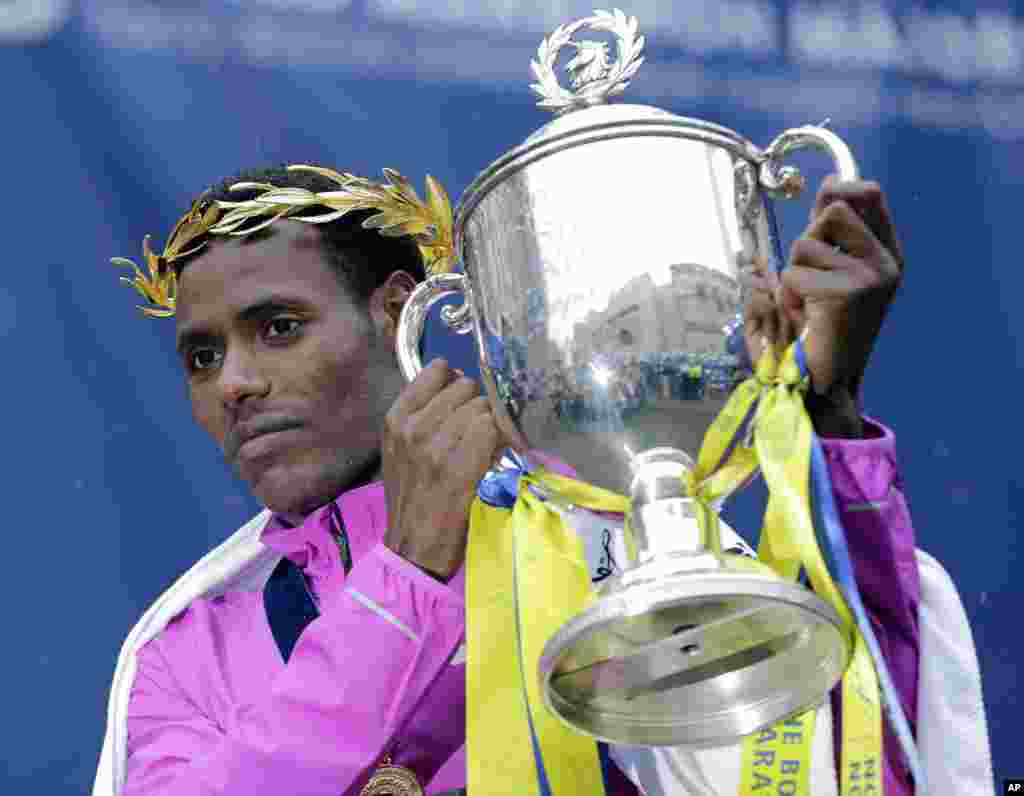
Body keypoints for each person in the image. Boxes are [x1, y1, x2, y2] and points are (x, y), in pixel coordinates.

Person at [93, 166, 992, 795]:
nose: (235, 383)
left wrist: (824, 414)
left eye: (278, 327)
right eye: (202, 356)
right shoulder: (182, 651)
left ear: (399, 314)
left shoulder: (592, 541)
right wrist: (401, 583)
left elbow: (836, 767)